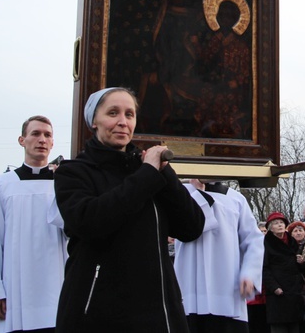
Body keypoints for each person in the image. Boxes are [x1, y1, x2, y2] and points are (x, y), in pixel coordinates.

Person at [53, 87, 205, 332]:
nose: (122, 122)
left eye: (129, 114)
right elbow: (90, 222)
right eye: (113, 113)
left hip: (159, 312)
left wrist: (165, 174)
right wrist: (147, 174)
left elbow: (192, 228)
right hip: (100, 313)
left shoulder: (148, 170)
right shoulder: (74, 172)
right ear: (94, 121)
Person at [0, 115, 68, 333]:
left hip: (57, 286)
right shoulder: (2, 184)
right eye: (35, 134)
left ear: (53, 143)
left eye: (47, 135)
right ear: (21, 140)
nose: (42, 139)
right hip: (15, 291)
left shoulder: (64, 185)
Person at [174, 178, 264, 332]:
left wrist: (249, 273)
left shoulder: (235, 198)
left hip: (226, 289)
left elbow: (253, 241)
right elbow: (190, 227)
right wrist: (197, 192)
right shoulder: (180, 193)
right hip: (189, 289)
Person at [262, 211, 305, 333]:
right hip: (278, 292)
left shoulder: (292, 242)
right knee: (279, 326)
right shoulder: (266, 244)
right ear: (270, 228)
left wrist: (301, 262)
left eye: (281, 222)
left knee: (295, 326)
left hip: (294, 291)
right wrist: (274, 287)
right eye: (276, 223)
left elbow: (299, 268)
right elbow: (264, 268)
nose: (280, 225)